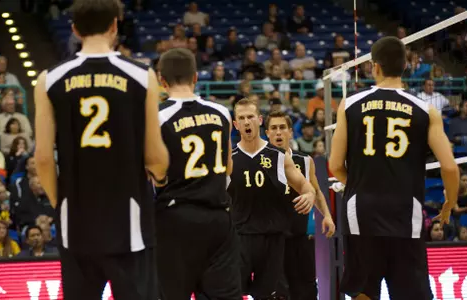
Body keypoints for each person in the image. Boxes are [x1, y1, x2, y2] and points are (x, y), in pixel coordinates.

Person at [33, 0, 169, 298]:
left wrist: (61, 203)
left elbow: (42, 159)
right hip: (129, 222)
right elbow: (156, 157)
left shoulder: (48, 80)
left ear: (75, 30)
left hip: (76, 223)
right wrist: (158, 176)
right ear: (114, 26)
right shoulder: (142, 75)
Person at [328, 36, 459, 300]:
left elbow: (334, 165)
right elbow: (450, 167)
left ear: (374, 67)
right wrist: (449, 203)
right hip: (404, 211)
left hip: (361, 208)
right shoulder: (426, 110)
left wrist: (356, 186)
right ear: (406, 67)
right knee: (410, 291)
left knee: (363, 289)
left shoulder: (350, 104)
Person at [155, 48, 241, 299]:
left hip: (176, 217)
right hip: (219, 218)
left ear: (162, 80)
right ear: (195, 77)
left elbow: (154, 171)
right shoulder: (221, 113)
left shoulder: (156, 117)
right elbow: (228, 166)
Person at [227, 98, 316, 299]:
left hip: (273, 238)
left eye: (250, 116)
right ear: (235, 124)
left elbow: (304, 184)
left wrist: (309, 194)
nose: (247, 122)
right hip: (239, 237)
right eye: (241, 118)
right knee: (231, 292)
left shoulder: (279, 156)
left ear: (259, 120)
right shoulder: (229, 158)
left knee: (270, 295)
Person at [265, 111, 335, 299]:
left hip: (300, 237)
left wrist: (327, 216)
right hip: (272, 240)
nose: (278, 133)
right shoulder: (259, 161)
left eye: (282, 128)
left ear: (290, 132)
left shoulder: (305, 160)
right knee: (277, 293)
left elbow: (317, 191)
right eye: (273, 128)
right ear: (267, 133)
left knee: (306, 291)